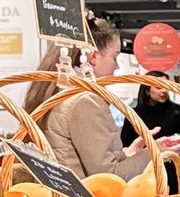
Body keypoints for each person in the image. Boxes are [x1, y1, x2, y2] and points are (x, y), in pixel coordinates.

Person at [22, 18, 153, 181]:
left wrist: (126, 154)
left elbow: (75, 155)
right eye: (115, 57)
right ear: (94, 56)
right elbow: (108, 177)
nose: (117, 66)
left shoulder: (54, 90)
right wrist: (153, 153)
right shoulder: (86, 100)